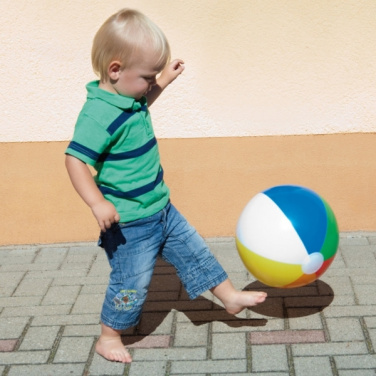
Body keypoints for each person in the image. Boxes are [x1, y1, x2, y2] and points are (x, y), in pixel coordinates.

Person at [65, 8, 267, 363]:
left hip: (162, 209)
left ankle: (230, 297)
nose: (149, 84)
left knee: (196, 252)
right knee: (131, 283)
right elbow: (75, 160)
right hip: (130, 225)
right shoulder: (98, 114)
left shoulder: (127, 98)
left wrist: (163, 82)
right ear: (115, 70)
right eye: (147, 76)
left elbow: (142, 105)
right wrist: (97, 203)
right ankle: (109, 335)